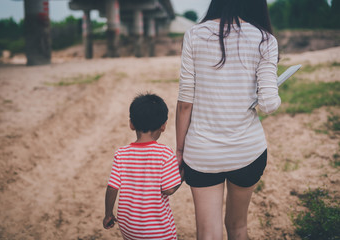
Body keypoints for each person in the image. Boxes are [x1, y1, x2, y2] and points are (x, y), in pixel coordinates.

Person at [175, 0, 281, 239]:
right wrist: (271, 82)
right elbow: (267, 104)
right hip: (247, 152)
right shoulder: (265, 40)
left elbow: (184, 104)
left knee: (208, 233)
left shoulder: (194, 34)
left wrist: (180, 150)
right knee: (238, 226)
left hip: (202, 154)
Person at [104, 93, 182, 240]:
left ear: (131, 124)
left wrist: (108, 214)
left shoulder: (121, 153)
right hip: (158, 229)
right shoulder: (165, 153)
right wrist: (182, 174)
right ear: (163, 125)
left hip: (129, 227)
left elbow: (112, 187)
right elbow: (168, 189)